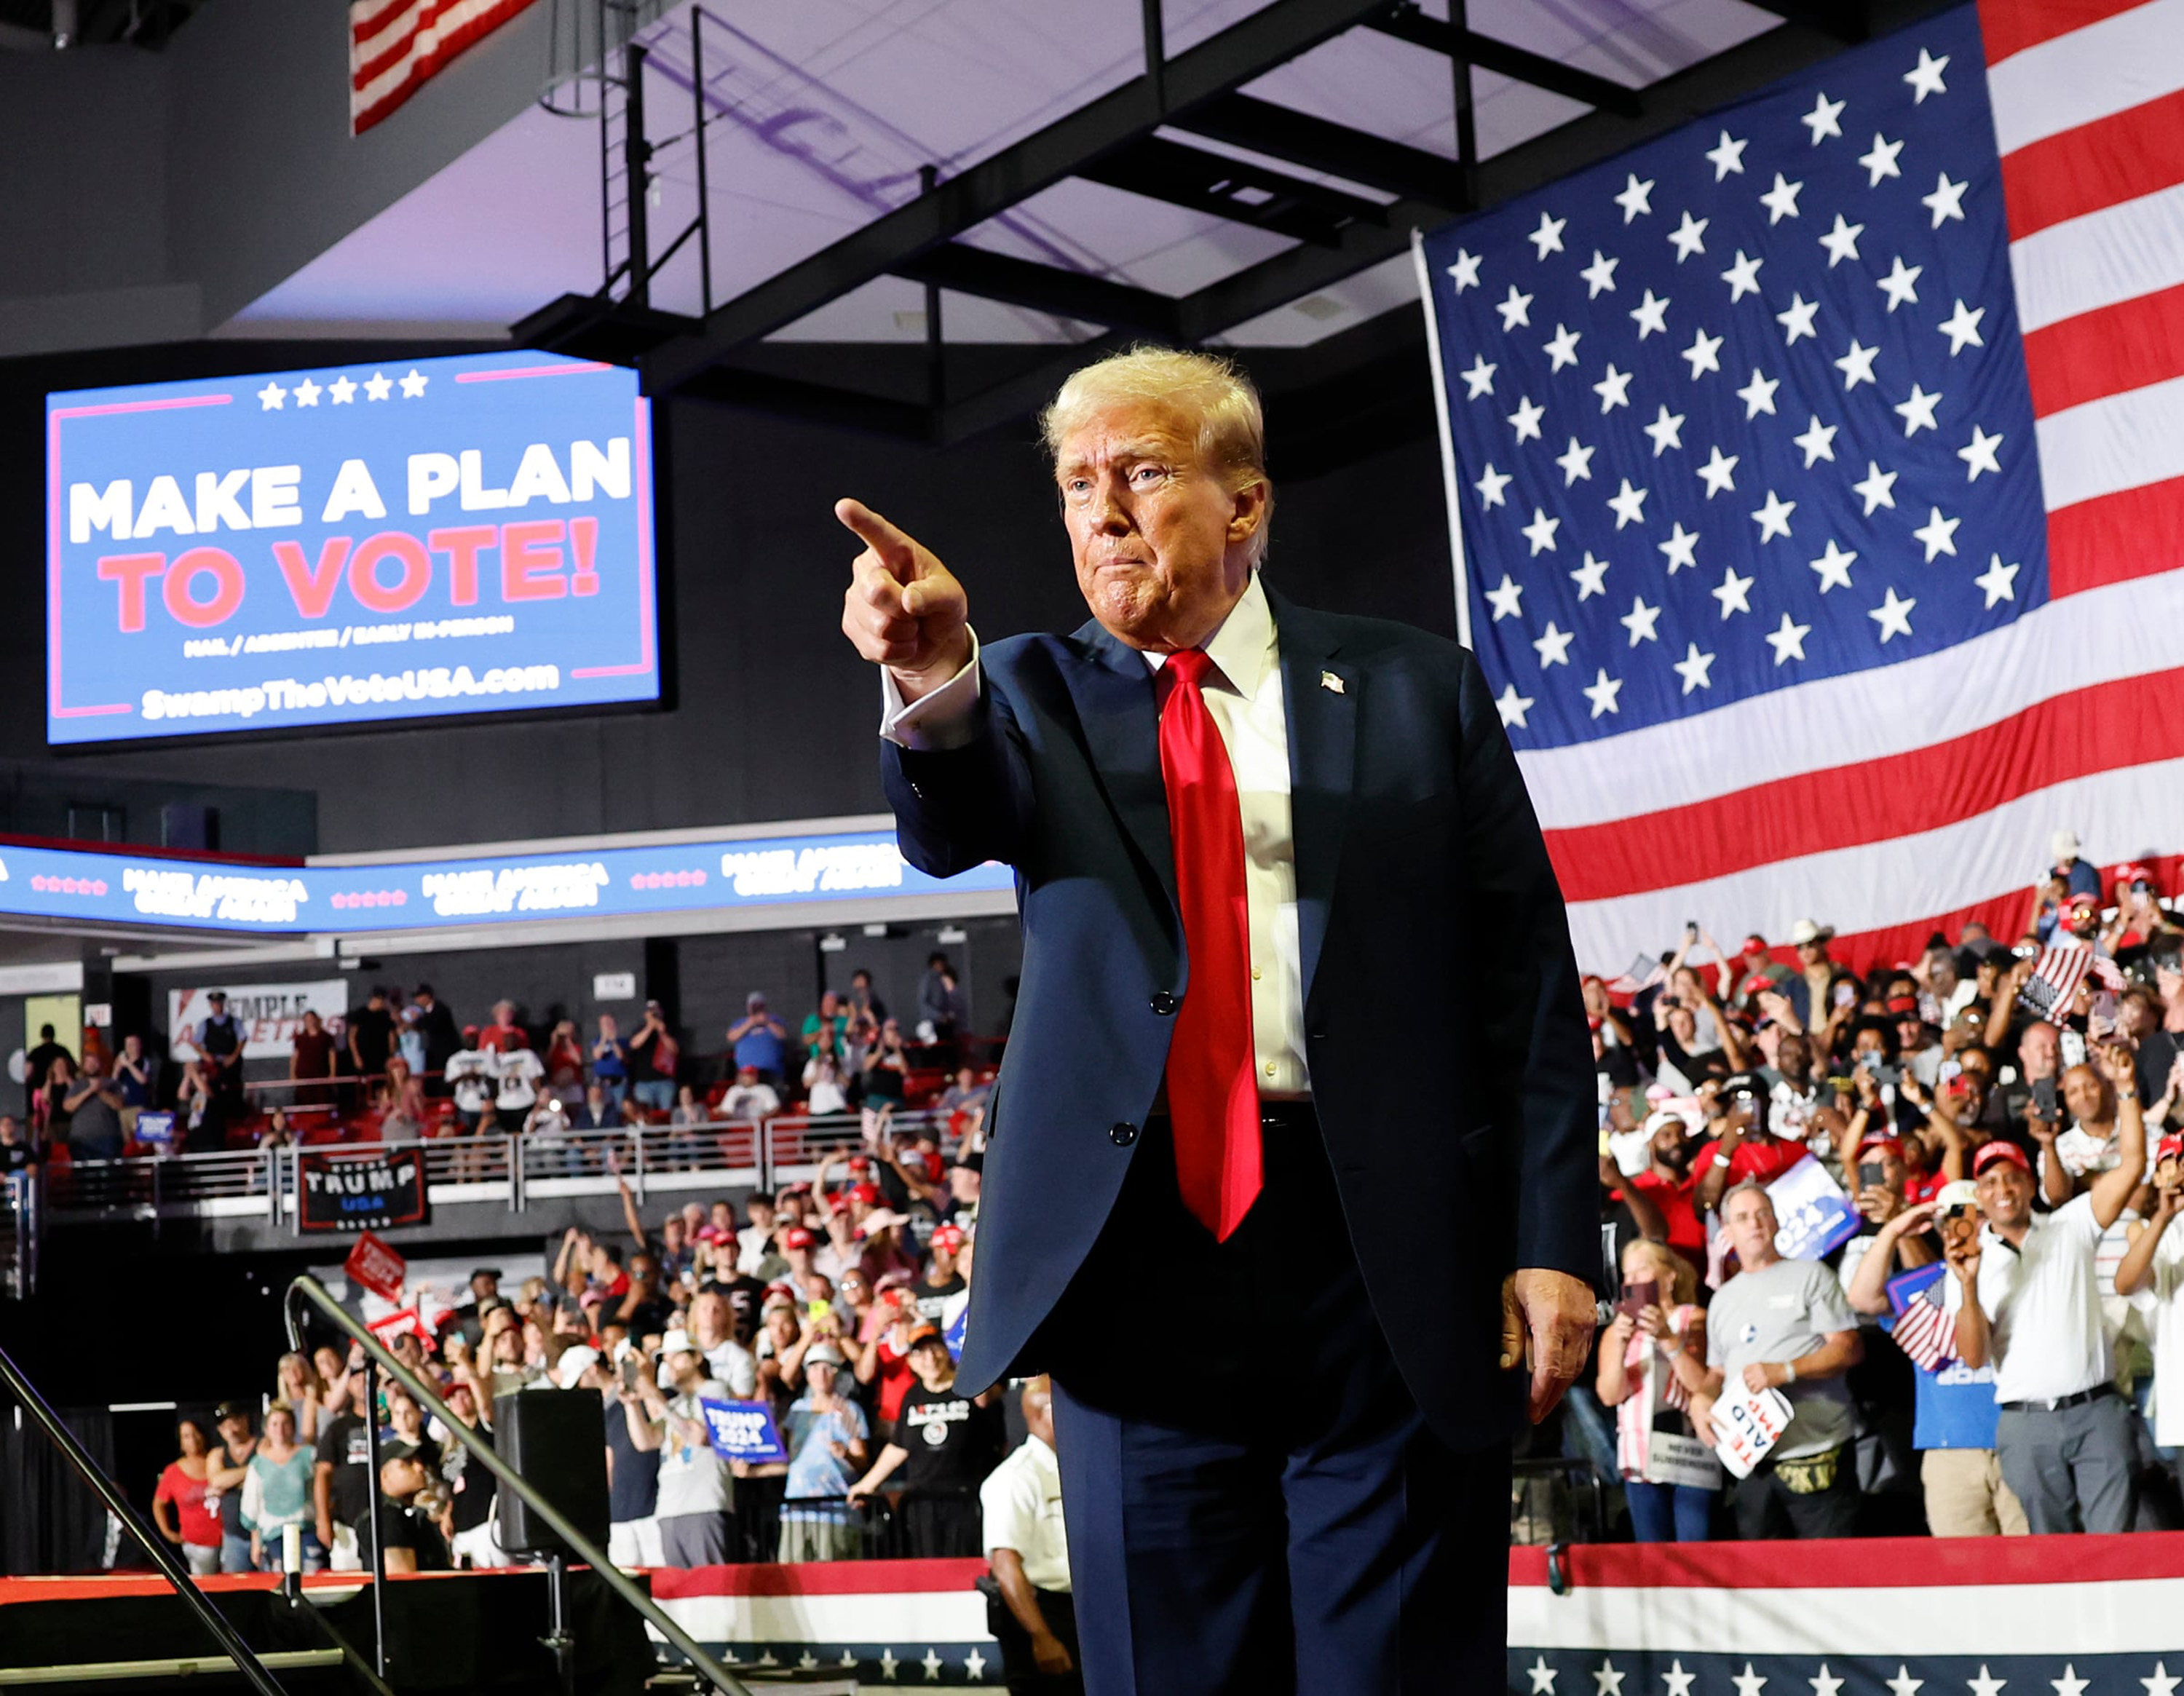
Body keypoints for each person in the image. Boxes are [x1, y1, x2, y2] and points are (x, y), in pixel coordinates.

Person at [839, 345, 1595, 1691]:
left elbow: (1527, 986)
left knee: (1399, 1672)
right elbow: (950, 824)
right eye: (1078, 484)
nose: (1103, 510)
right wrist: (932, 673)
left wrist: (1554, 1245)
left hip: (1391, 1269)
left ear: (1245, 503)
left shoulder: (1421, 689)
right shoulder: (1026, 692)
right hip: (1141, 1274)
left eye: (1140, 471)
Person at [1951, 1045, 2150, 1534]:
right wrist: (1969, 1287)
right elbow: (1974, 1358)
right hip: (2026, 1424)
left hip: (2097, 1410)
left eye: (2012, 1178)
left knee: (2115, 1551)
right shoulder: (1968, 1261)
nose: (2002, 1190)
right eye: (1990, 1182)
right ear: (1979, 1196)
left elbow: (2133, 1164)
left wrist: (2125, 1089)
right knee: (2050, 1559)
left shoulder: (2070, 1224)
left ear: (2028, 1181)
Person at [1846, 1183, 2027, 1537]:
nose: (1964, 1227)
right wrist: (1894, 1228)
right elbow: (1863, 1299)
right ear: (1940, 1227)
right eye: (1954, 1219)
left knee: (2031, 1563)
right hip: (1949, 1451)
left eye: (1974, 1216)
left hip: (2017, 1439)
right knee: (1962, 1574)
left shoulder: (2015, 1274)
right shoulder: (1926, 1287)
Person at [1697, 1183, 1865, 1537]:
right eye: (1742, 1218)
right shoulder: (1722, 1300)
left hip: (1818, 1455)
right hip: (1753, 1466)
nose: (1755, 1223)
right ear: (1728, 1232)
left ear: (1776, 1221)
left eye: (1762, 1213)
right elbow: (1717, 1372)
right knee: (1763, 1583)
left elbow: (1849, 1348)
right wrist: (1702, 1398)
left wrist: (1787, 1371)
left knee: (1830, 1577)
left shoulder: (1811, 1275)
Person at [1596, 1237, 1716, 1542]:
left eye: (1642, 1270)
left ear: (1669, 1276)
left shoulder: (1695, 1319)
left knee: (1696, 1551)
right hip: (1641, 1459)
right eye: (1627, 1274)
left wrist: (1667, 1338)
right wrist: (1621, 1343)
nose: (1633, 1280)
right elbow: (1610, 1395)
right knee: (1654, 1560)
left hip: (1689, 1454)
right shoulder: (1616, 1332)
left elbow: (1702, 1384)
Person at [847, 1326, 1002, 1556]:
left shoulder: (971, 1389)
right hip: (923, 1504)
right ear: (911, 1361)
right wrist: (866, 1485)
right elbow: (899, 1446)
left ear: (946, 1351)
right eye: (921, 1353)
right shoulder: (912, 1396)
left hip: (965, 1500)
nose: (930, 1358)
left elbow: (998, 1433)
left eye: (935, 1349)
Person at [980, 1377, 1079, 1695]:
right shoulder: (1015, 1478)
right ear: (1041, 1414)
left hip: (1080, 1611)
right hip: (1043, 1613)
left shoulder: (1074, 1469)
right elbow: (1006, 1566)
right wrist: (1042, 1637)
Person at [634, 1329, 736, 1567]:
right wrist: (632, 1403)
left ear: (697, 1358)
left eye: (677, 1357)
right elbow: (646, 1441)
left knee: (712, 1589)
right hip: (669, 1510)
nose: (670, 1366)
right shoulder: (675, 1403)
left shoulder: (715, 1390)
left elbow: (698, 1436)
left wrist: (654, 1395)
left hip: (704, 1505)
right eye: (666, 1360)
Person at [778, 1342, 869, 1561]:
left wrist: (845, 1454)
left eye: (828, 1368)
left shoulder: (849, 1410)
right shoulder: (797, 1410)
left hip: (834, 1511)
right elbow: (791, 1457)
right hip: (796, 1509)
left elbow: (862, 1461)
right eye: (814, 1367)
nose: (821, 1374)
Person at [245, 1403, 323, 1572]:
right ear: (266, 1429)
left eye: (285, 1423)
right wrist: (256, 1542)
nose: (280, 1429)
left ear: (293, 1426)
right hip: (273, 1534)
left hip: (306, 1530)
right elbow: (253, 1503)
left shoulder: (309, 1455)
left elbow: (322, 1490)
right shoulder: (258, 1464)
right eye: (274, 1424)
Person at [151, 1417, 222, 1575]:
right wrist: (168, 1532)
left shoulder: (218, 1459)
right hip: (198, 1544)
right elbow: (158, 1504)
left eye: (195, 1434)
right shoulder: (173, 1471)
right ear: (181, 1442)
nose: (193, 1440)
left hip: (231, 1540)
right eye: (186, 1436)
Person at [205, 1400, 259, 1573]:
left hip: (264, 1533)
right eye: (224, 1424)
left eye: (234, 1421)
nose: (230, 1428)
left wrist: (231, 1482)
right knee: (237, 1591)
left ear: (245, 1420)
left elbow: (268, 1476)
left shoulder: (263, 1446)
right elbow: (217, 1480)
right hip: (234, 1537)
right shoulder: (218, 1454)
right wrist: (253, 1471)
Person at [60, 1054, 125, 1162]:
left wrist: (100, 1091)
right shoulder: (77, 1086)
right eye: (88, 1063)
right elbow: (68, 1106)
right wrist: (89, 1090)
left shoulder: (112, 1084)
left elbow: (119, 1105)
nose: (91, 1066)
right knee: (83, 1174)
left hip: (107, 1138)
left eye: (94, 1062)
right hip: (81, 1139)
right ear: (84, 1065)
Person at [627, 1001, 681, 1113]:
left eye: (656, 1010)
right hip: (644, 1082)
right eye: (651, 1011)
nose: (654, 1013)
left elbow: (675, 1050)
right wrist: (650, 1027)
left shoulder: (669, 1029)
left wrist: (662, 1033)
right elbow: (634, 1044)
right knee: (645, 1112)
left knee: (666, 1112)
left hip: (665, 1080)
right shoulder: (639, 1030)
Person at [726, 994, 788, 1087]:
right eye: (754, 1007)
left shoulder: (775, 1020)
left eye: (759, 1006)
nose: (757, 1009)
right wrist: (751, 1023)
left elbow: (782, 1036)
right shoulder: (740, 1022)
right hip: (746, 1074)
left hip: (771, 1072)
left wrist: (767, 1022)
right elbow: (731, 1037)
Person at [23, 1023, 72, 1120]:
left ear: (42, 1035)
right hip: (60, 1091)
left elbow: (28, 1072)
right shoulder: (62, 1050)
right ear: (54, 1035)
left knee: (39, 1119)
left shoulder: (36, 1052)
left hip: (39, 1090)